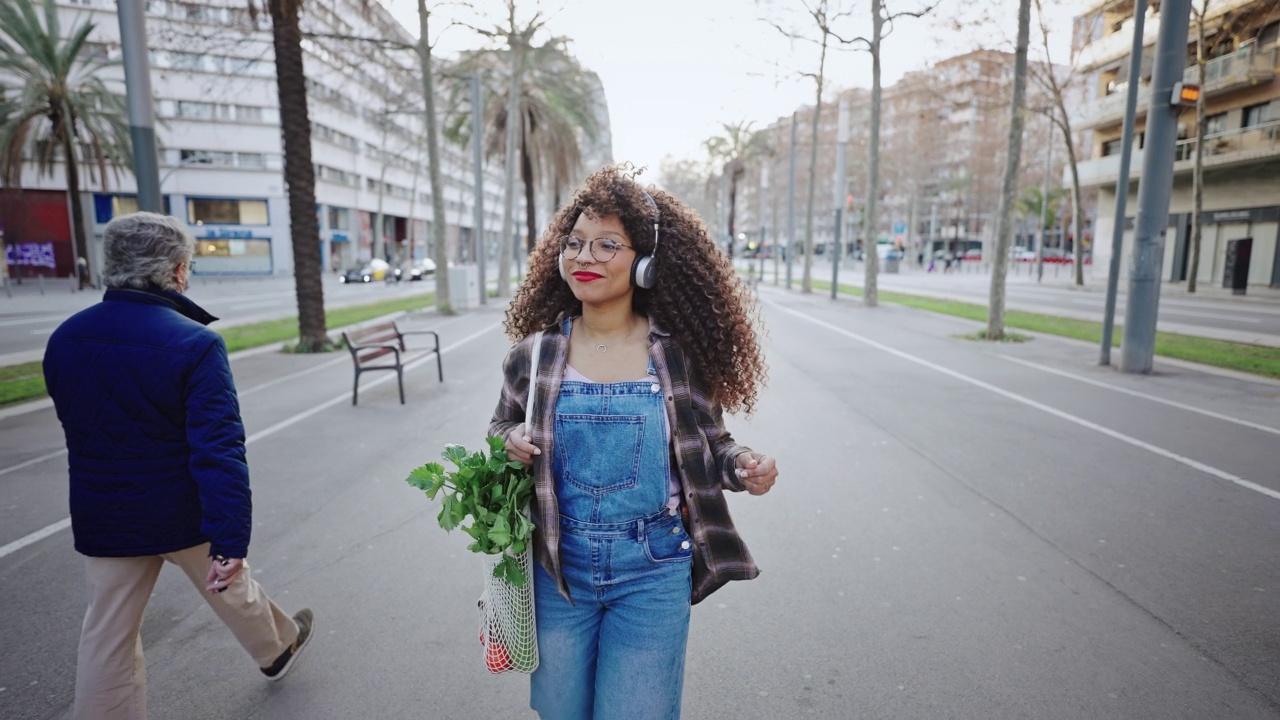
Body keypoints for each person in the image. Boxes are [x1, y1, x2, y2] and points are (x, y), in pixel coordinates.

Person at [490, 167, 779, 720]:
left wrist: (743, 464)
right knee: (561, 712)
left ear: (645, 262)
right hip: (557, 566)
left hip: (652, 567)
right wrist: (512, 441)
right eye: (574, 244)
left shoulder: (676, 357)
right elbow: (499, 427)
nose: (584, 257)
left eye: (606, 245)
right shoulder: (532, 355)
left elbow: (712, 442)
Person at [43, 212, 314, 720]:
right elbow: (219, 450)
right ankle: (276, 648)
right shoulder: (194, 343)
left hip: (106, 514)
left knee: (107, 632)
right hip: (181, 509)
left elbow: (76, 426)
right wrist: (231, 540)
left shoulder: (65, 338)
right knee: (232, 587)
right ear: (178, 271)